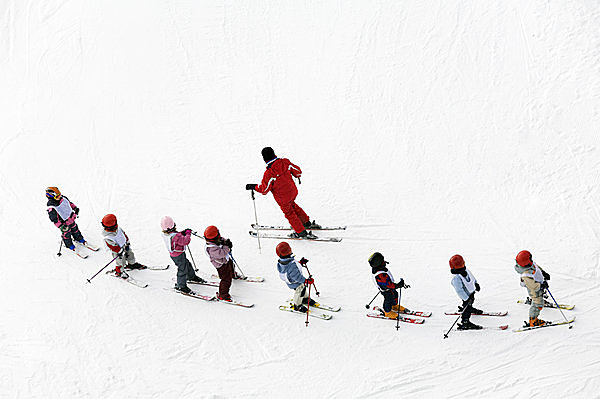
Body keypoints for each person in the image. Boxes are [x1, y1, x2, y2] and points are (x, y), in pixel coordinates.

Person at [246, 147, 320, 239]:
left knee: (289, 213)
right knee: (292, 205)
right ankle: (306, 222)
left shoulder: (269, 173)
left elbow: (264, 190)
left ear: (264, 159)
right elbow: (298, 172)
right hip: (293, 192)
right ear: (274, 154)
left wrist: (254, 187)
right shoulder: (285, 162)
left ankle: (300, 232)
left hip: (283, 198)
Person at [160, 216, 205, 294]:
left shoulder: (167, 234)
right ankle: (181, 286)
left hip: (175, 255)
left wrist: (182, 232)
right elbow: (185, 241)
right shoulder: (176, 237)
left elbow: (176, 236)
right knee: (182, 269)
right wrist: (187, 234)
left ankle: (191, 277)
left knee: (187, 264)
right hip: (178, 255)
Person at [46, 187, 93, 256]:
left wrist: (75, 208)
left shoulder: (63, 198)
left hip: (71, 218)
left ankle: (79, 239)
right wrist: (61, 226)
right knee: (67, 234)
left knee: (75, 229)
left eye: (59, 194)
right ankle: (69, 245)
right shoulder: (52, 208)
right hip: (64, 224)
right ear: (51, 197)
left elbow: (69, 203)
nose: (60, 196)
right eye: (57, 196)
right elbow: (54, 220)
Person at [101, 214, 145, 278]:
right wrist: (119, 251)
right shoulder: (108, 237)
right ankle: (119, 272)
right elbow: (112, 246)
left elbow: (123, 235)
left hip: (125, 245)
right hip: (118, 252)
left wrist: (127, 242)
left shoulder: (118, 229)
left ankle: (131, 264)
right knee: (120, 261)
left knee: (130, 255)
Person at [515, 250, 551, 327]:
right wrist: (541, 286)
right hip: (535, 289)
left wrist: (544, 273)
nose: (532, 260)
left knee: (542, 293)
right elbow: (533, 286)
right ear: (526, 262)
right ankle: (533, 320)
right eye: (530, 259)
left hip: (539, 283)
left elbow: (536, 267)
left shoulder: (529, 264)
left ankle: (540, 300)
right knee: (538, 302)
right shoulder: (526, 275)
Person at [276, 242, 315, 312]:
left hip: (290, 279)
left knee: (303, 289)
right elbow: (296, 276)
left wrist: (300, 263)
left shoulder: (282, 261)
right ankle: (297, 305)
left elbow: (290, 268)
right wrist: (306, 281)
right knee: (299, 291)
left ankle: (305, 298)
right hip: (295, 282)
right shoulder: (292, 265)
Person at [368, 252, 409, 319]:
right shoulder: (380, 275)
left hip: (389, 288)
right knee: (389, 299)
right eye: (382, 261)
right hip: (386, 289)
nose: (384, 262)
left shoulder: (381, 268)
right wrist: (398, 285)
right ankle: (387, 312)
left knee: (395, 294)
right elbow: (389, 285)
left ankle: (394, 306)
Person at [449, 254, 483, 330]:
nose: (462, 266)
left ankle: (469, 307)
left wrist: (476, 283)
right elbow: (459, 290)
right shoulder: (456, 278)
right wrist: (466, 299)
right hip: (466, 295)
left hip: (471, 292)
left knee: (472, 300)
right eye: (460, 265)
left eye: (462, 264)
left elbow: (472, 277)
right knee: (467, 306)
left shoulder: (465, 270)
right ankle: (465, 321)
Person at [203, 225, 235, 301]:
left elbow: (222, 240)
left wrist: (226, 242)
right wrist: (227, 247)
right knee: (226, 279)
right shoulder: (211, 249)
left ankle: (233, 274)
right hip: (221, 265)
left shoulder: (217, 239)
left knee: (231, 265)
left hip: (225, 260)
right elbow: (222, 253)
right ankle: (223, 295)